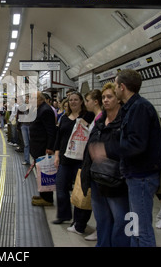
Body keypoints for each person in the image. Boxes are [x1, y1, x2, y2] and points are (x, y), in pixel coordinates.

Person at [114, 69, 161, 247]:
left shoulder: (140, 108)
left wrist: (108, 149)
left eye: (115, 85)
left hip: (142, 176)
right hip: (134, 175)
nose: (114, 88)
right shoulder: (131, 108)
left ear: (122, 87)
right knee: (134, 226)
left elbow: (137, 144)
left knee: (142, 229)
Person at [81, 82, 130, 247]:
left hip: (116, 180)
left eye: (110, 96)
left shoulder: (124, 121)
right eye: (103, 97)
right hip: (97, 178)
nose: (106, 100)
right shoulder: (100, 121)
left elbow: (129, 148)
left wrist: (106, 151)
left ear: (118, 99)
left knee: (120, 219)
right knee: (102, 219)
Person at [53, 91, 95, 234]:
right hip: (65, 159)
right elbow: (59, 138)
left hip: (81, 160)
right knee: (61, 187)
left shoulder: (88, 116)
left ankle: (79, 220)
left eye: (76, 99)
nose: (73, 102)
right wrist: (57, 155)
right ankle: (64, 215)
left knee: (80, 191)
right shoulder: (64, 118)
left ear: (81, 101)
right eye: (71, 100)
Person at [29, 92, 57, 206]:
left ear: (39, 99)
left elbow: (51, 131)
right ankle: (43, 195)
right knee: (41, 172)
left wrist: (50, 147)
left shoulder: (45, 110)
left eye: (32, 99)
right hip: (38, 146)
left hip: (42, 147)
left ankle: (47, 199)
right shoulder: (40, 108)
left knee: (45, 172)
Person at [18, 95, 31, 165]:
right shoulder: (24, 106)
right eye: (26, 98)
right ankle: (26, 159)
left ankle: (32, 159)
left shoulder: (33, 107)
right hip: (24, 125)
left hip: (30, 126)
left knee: (31, 142)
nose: (26, 99)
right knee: (26, 143)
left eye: (28, 98)